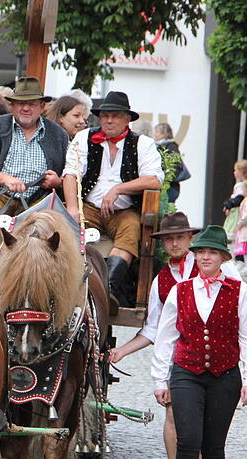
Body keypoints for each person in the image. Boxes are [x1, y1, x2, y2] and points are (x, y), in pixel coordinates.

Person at [109, 213, 240, 459]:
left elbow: (237, 308)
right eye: (168, 239)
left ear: (190, 240)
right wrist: (122, 351)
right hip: (178, 356)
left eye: (179, 237)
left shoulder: (211, 265)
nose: (174, 243)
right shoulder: (162, 280)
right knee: (174, 414)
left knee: (204, 417)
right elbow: (154, 329)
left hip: (212, 354)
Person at [152, 225, 247, 459]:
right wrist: (161, 379)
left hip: (225, 375)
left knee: (214, 447)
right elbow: (165, 336)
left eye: (211, 252)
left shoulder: (240, 291)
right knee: (188, 440)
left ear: (223, 257)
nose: (204, 257)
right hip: (186, 372)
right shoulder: (181, 290)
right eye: (200, 252)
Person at [62, 90, 164, 307]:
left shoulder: (142, 143)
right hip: (88, 207)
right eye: (105, 115)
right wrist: (72, 208)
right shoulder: (84, 138)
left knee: (131, 230)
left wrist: (118, 189)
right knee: (70, 230)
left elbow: (154, 180)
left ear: (127, 119)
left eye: (115, 115)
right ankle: (72, 290)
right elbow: (70, 174)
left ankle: (107, 289)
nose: (109, 120)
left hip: (123, 212)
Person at [0, 76, 67, 260]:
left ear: (42, 106)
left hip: (39, 200)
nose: (25, 108)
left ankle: (39, 271)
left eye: (31, 103)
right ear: (12, 106)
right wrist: (6, 179)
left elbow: (69, 176)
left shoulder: (59, 135)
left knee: (45, 225)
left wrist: (57, 181)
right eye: (20, 103)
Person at [155, 123, 188, 203]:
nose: (154, 134)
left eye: (157, 132)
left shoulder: (171, 146)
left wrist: (165, 178)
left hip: (169, 188)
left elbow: (175, 166)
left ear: (163, 134)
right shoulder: (158, 146)